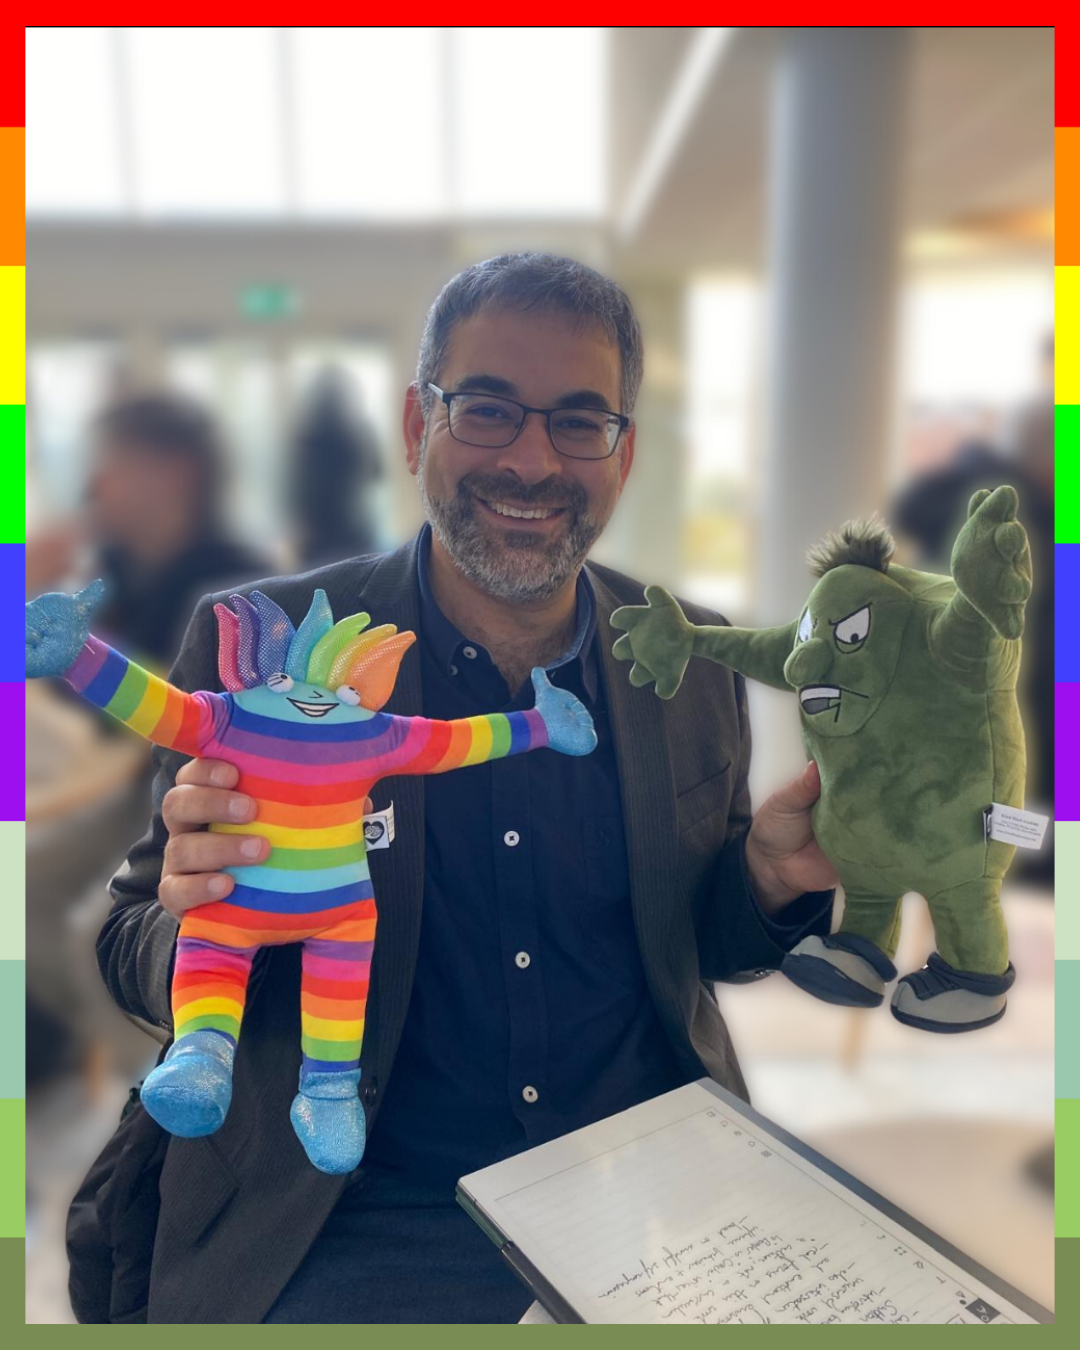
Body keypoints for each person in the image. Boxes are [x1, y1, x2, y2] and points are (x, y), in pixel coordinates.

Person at [95, 254, 836, 1324]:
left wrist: (766, 882)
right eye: (487, 410)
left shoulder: (690, 658)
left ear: (623, 457)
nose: (533, 461)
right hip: (349, 1211)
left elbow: (699, 947)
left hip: (655, 1188)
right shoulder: (267, 648)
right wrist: (198, 918)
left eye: (582, 422)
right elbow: (128, 939)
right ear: (415, 428)